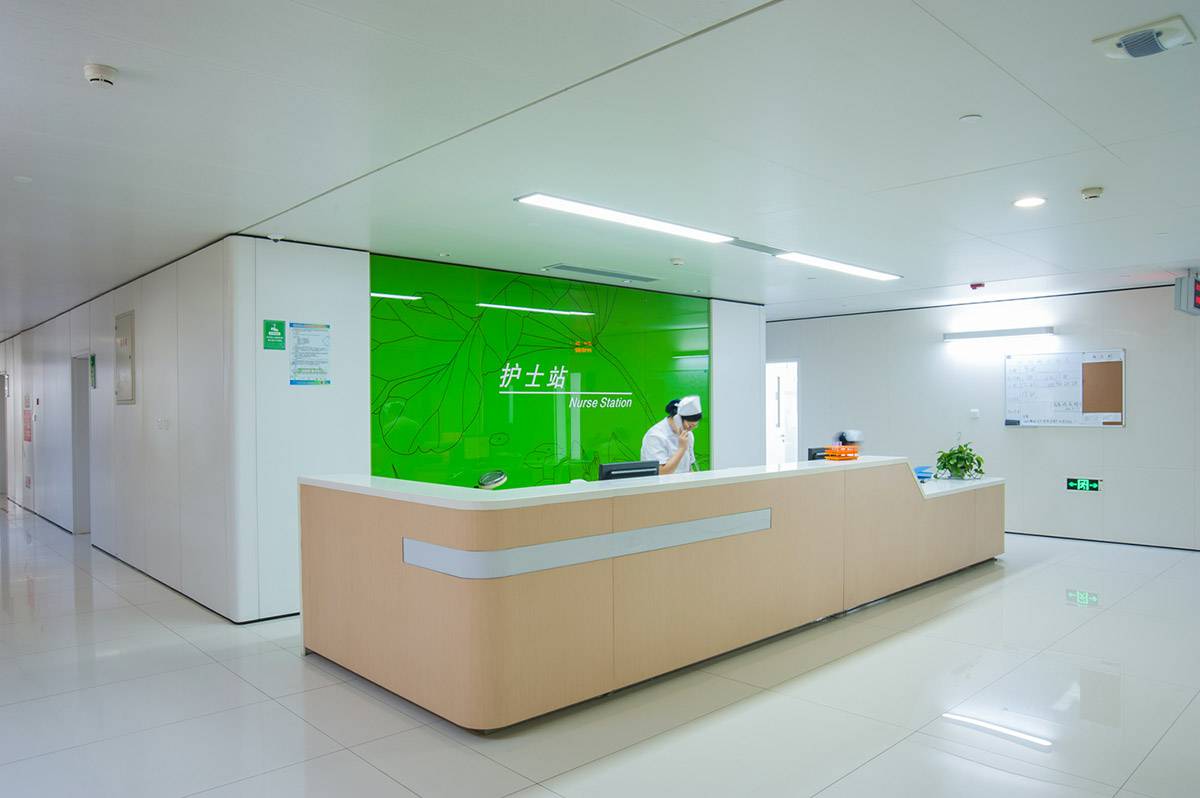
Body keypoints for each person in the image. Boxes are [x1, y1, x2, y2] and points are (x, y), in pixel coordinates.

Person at [641, 396, 703, 475]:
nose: (690, 430)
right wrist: (681, 449)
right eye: (690, 426)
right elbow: (661, 473)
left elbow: (689, 468)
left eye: (694, 426)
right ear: (677, 419)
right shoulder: (655, 436)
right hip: (660, 483)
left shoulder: (688, 434)